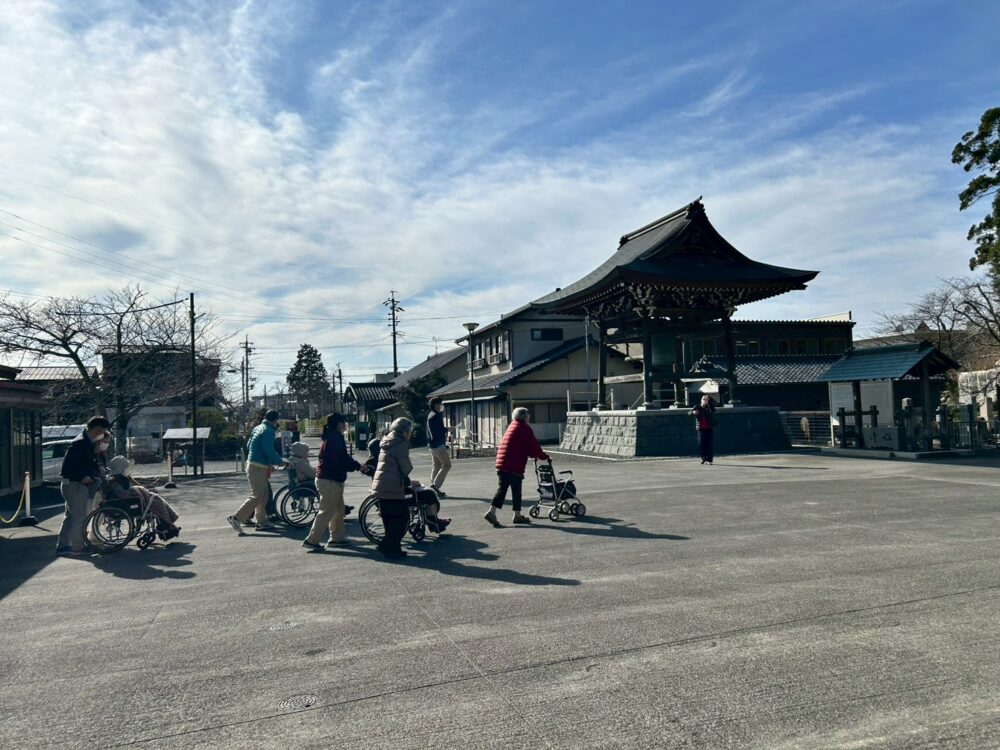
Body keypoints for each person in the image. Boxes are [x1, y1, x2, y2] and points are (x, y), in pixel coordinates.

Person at [302, 414, 371, 550]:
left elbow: (342, 459)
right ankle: (312, 540)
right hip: (329, 480)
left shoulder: (331, 437)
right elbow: (342, 459)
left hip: (329, 479)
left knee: (338, 511)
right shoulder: (335, 439)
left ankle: (337, 538)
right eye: (344, 422)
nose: (345, 425)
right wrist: (359, 467)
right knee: (326, 511)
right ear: (339, 424)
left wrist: (357, 467)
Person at [56, 416, 111, 556]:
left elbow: (84, 464)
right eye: (102, 431)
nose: (103, 434)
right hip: (76, 485)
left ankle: (62, 546)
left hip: (71, 484)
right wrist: (83, 477)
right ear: (97, 429)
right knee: (79, 517)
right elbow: (69, 466)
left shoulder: (85, 442)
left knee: (70, 516)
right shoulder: (81, 443)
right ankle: (77, 547)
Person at [485, 407, 548, 527]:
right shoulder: (524, 428)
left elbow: (521, 446)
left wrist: (532, 454)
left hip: (502, 463)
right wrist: (543, 456)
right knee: (516, 490)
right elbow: (533, 445)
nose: (529, 416)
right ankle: (517, 515)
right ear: (524, 416)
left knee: (502, 489)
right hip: (513, 464)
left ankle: (492, 511)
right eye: (527, 414)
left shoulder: (513, 426)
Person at [227, 410, 287, 534]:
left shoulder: (257, 428)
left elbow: (249, 445)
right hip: (258, 466)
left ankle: (262, 521)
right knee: (258, 495)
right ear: (275, 420)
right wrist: (279, 461)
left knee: (263, 494)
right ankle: (236, 518)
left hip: (254, 464)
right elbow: (268, 449)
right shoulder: (269, 431)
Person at [370, 418, 415, 559]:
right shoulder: (400, 444)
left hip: (381, 485)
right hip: (392, 486)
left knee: (389, 520)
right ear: (405, 431)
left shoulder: (387, 440)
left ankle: (390, 548)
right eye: (409, 431)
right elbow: (406, 467)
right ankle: (388, 547)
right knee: (402, 518)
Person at [105, 456, 181, 540]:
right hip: (130, 502)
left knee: (156, 498)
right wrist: (136, 490)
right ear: (121, 468)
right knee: (157, 501)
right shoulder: (116, 480)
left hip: (131, 500)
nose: (128, 469)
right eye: (126, 468)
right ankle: (167, 526)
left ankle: (167, 526)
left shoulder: (117, 478)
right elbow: (123, 494)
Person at [426, 398, 452, 497]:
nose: (439, 405)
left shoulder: (431, 415)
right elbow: (438, 431)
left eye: (440, 403)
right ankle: (436, 486)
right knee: (447, 465)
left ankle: (433, 489)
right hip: (438, 444)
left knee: (436, 465)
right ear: (433, 405)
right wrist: (448, 429)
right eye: (437, 404)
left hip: (432, 445)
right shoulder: (435, 416)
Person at [690, 394, 717, 465]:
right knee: (701, 444)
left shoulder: (710, 407)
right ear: (701, 400)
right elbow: (689, 413)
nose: (705, 400)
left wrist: (708, 404)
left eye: (707, 399)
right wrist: (693, 413)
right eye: (704, 399)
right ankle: (704, 459)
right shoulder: (697, 407)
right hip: (701, 429)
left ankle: (709, 460)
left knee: (709, 445)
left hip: (709, 429)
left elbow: (713, 411)